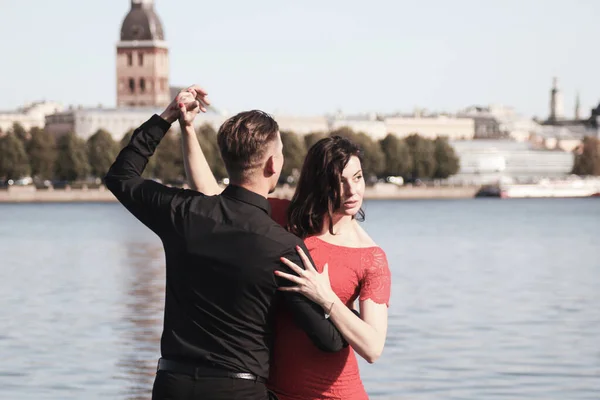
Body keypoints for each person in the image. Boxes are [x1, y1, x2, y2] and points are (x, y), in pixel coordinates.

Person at [105, 85, 347, 400]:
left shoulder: (184, 212)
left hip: (172, 385)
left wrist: (167, 117)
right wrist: (331, 300)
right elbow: (328, 340)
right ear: (272, 165)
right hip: (239, 390)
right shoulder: (284, 247)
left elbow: (121, 176)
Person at [180, 88, 391, 400]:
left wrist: (326, 297)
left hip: (336, 394)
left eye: (357, 178)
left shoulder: (370, 257)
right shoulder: (283, 218)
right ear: (320, 183)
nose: (351, 191)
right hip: (272, 393)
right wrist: (186, 129)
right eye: (339, 181)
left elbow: (373, 347)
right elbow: (209, 194)